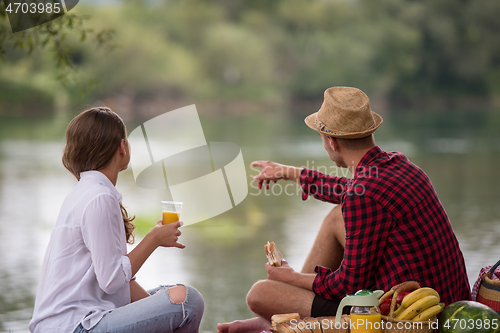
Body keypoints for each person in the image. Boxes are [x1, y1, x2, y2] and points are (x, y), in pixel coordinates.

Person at [217, 86, 470, 333]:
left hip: (408, 317)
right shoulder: (401, 165)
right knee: (337, 217)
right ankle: (284, 315)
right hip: (451, 301)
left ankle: (283, 316)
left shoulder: (364, 194)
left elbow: (348, 284)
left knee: (260, 294)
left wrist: (290, 277)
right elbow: (350, 189)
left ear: (332, 142)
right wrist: (291, 173)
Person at [29, 107, 204, 333]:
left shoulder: (86, 192)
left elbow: (119, 283)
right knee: (188, 301)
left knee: (174, 296)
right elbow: (112, 280)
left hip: (79, 320)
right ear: (122, 147)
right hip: (73, 326)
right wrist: (153, 239)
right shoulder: (98, 197)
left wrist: (157, 311)